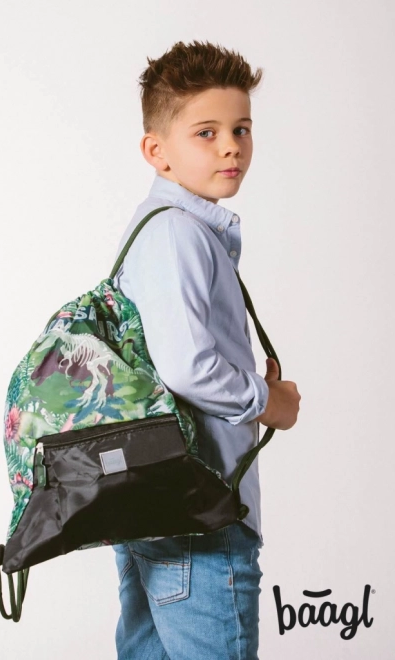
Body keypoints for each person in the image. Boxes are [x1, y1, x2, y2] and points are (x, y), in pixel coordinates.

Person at [111, 39, 301, 660]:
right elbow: (187, 368)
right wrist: (268, 401)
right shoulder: (177, 233)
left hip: (161, 507)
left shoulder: (167, 228)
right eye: (206, 132)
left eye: (241, 129)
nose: (231, 147)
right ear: (156, 151)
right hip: (201, 515)